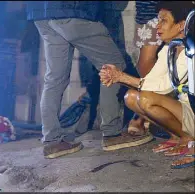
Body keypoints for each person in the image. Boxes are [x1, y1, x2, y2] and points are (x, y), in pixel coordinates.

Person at [25, 1, 153, 159]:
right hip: (73, 10)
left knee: (55, 77)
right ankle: (112, 133)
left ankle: (52, 141)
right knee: (113, 66)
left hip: (41, 12)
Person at [99, 1, 194, 168]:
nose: (157, 25)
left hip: (192, 112)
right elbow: (151, 81)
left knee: (146, 99)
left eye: (164, 20)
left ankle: (189, 141)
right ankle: (177, 136)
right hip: (186, 110)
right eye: (158, 20)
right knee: (131, 97)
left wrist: (121, 77)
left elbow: (164, 85)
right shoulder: (170, 47)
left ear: (181, 25)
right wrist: (118, 77)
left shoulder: (191, 49)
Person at [127, 1, 163, 136]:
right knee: (147, 67)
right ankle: (146, 115)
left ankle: (144, 116)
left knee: (149, 64)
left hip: (167, 12)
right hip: (147, 15)